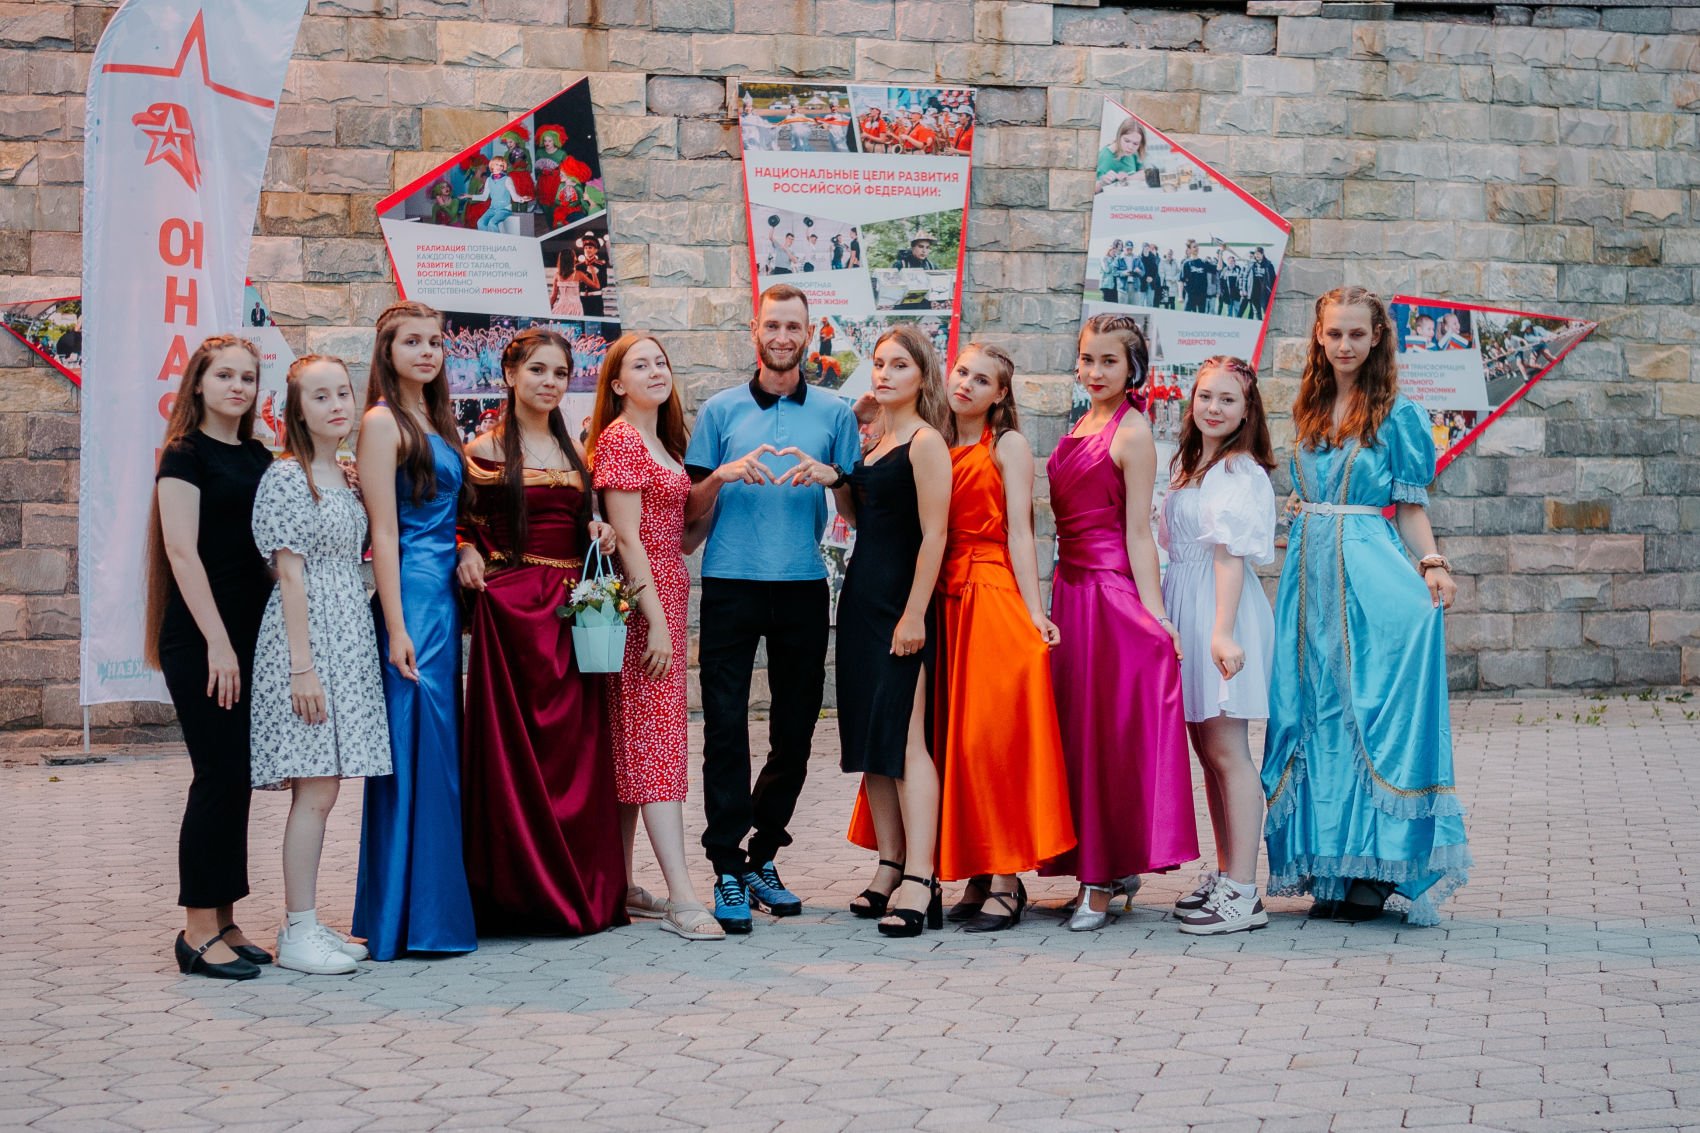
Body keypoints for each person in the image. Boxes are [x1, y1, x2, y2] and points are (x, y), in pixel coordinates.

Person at [851, 343, 1075, 933]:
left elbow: (1022, 532)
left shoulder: (1008, 445)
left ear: (1000, 394)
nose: (967, 385)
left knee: (988, 738)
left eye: (982, 379)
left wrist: (1035, 610)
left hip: (989, 592)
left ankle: (1006, 878)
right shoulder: (931, 439)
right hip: (937, 598)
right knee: (945, 740)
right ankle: (971, 871)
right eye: (962, 372)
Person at [1264, 286, 1469, 926]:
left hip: (1367, 573)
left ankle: (1374, 872)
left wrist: (1431, 564)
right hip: (1307, 579)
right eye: (1334, 334)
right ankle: (1333, 861)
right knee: (1313, 711)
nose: (1345, 345)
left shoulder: (1398, 413)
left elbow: (1409, 506)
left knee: (1367, 710)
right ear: (1319, 336)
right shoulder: (1309, 404)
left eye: (1357, 334)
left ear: (1377, 336)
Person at [682, 284, 862, 933]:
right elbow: (689, 517)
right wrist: (720, 476)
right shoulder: (719, 411)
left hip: (803, 585)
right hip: (729, 583)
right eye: (772, 325)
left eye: (793, 326)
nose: (782, 336)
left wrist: (836, 478)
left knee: (795, 731)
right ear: (755, 331)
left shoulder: (836, 414)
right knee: (725, 728)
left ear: (809, 336)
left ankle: (761, 854)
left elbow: (854, 514)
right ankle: (726, 866)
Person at [455, 329, 628, 938]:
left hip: (574, 615)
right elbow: (458, 523)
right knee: (517, 754)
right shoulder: (479, 449)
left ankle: (582, 885)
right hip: (513, 615)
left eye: (559, 372)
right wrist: (465, 549)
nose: (550, 382)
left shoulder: (575, 448)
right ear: (509, 374)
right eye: (537, 370)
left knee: (575, 753)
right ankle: (521, 893)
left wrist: (599, 531)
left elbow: (582, 520)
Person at [1044, 313, 1198, 931]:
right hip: (1069, 591)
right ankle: (1102, 867)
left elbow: (1139, 532)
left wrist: (1156, 617)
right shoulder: (1080, 423)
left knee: (1107, 735)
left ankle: (1101, 881)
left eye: (1109, 361)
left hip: (1108, 596)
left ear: (1133, 368)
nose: (1095, 371)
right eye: (1087, 358)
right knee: (1077, 733)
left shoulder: (1133, 433)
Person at [249, 355, 392, 975]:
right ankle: (298, 929)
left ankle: (304, 921)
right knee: (313, 789)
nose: (336, 405)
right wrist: (301, 668)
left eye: (342, 393)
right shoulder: (288, 476)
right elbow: (289, 573)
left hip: (346, 634)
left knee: (327, 789)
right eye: (320, 396)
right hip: (306, 640)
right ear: (296, 410)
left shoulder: (345, 473)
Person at [145, 335, 274, 981]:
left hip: (250, 636)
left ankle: (224, 917)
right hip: (202, 640)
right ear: (198, 382)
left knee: (237, 777)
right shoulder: (184, 454)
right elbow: (181, 551)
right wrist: (218, 642)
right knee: (217, 775)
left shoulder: (256, 455)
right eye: (224, 375)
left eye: (247, 378)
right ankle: (196, 929)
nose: (237, 387)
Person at [590, 333, 726, 941]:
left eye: (661, 362)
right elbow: (629, 539)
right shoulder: (620, 439)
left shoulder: (666, 444)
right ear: (617, 384)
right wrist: (660, 622)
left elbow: (679, 536)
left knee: (637, 745)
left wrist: (719, 484)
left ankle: (621, 885)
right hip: (644, 606)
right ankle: (683, 897)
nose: (655, 371)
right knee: (656, 748)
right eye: (639, 365)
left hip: (667, 591)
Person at [353, 301, 477, 960]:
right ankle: (404, 917)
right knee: (411, 750)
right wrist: (396, 627)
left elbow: (446, 517)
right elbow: (383, 531)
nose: (428, 352)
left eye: (435, 342)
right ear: (388, 351)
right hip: (410, 605)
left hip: (441, 600)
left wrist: (465, 548)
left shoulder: (435, 417)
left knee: (439, 753)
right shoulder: (382, 422)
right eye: (413, 342)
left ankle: (429, 911)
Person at [833, 326, 952, 937]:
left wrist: (913, 614)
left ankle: (923, 878)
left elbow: (935, 535)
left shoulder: (927, 442)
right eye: (879, 363)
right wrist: (844, 466)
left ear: (922, 375)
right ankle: (890, 863)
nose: (884, 373)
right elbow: (856, 517)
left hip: (900, 605)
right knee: (871, 742)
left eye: (899, 364)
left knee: (906, 742)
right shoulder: (877, 440)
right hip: (860, 597)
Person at [1157, 356, 1277, 935]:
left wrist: (1222, 631)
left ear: (1247, 410)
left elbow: (1229, 555)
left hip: (1218, 606)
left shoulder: (1237, 470)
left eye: (1228, 399)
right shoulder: (1191, 464)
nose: (1213, 407)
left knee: (1229, 751)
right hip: (1188, 596)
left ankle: (1246, 892)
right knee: (1208, 754)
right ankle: (1228, 874)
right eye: (1205, 396)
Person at [459, 155, 531, 233]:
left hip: (504, 209)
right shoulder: (489, 180)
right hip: (492, 209)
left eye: (501, 165)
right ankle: (487, 239)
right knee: (480, 223)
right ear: (492, 165)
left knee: (492, 223)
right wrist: (469, 196)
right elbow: (484, 197)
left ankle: (496, 239)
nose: (499, 167)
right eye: (497, 164)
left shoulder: (507, 179)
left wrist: (522, 199)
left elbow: (514, 197)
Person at [1095, 116, 1146, 191]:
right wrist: (1102, 182)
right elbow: (1092, 188)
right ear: (1119, 137)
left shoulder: (1133, 153)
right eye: (1127, 141)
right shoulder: (1105, 157)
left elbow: (1144, 173)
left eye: (1135, 144)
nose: (1130, 147)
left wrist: (1127, 178)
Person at [1181, 241, 1216, 314]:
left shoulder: (1203, 263)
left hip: (1202, 296)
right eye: (1194, 247)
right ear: (1189, 249)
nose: (1196, 248)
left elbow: (1218, 268)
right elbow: (1182, 280)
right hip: (1190, 295)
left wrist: (1221, 253)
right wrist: (1180, 296)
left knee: (1201, 318)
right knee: (1185, 316)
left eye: (1197, 246)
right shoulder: (1186, 263)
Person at [1245, 247, 1275, 321]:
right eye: (1256, 254)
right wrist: (1245, 289)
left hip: (1264, 291)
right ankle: (1259, 324)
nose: (1257, 255)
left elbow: (1273, 279)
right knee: (1256, 311)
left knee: (1266, 310)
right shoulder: (1251, 264)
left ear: (1262, 254)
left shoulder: (1268, 265)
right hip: (1253, 291)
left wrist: (1272, 291)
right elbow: (1245, 277)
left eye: (1258, 254)